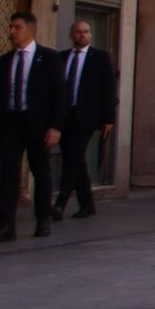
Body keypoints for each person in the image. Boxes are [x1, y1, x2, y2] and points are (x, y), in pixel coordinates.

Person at [0, 12, 65, 242]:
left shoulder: (48, 58)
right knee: (8, 175)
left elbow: (60, 96)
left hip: (38, 125)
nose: (12, 31)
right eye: (11, 27)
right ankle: (6, 226)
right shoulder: (5, 61)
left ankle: (42, 220)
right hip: (11, 123)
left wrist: (55, 127)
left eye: (17, 27)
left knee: (41, 173)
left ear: (31, 30)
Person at [52, 20, 115, 222]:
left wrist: (108, 119)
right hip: (64, 116)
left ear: (90, 35)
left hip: (86, 117)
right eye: (78, 32)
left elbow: (108, 89)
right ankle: (87, 204)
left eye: (86, 32)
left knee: (73, 157)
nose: (82, 35)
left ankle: (60, 202)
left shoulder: (100, 58)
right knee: (75, 159)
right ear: (71, 35)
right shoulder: (61, 58)